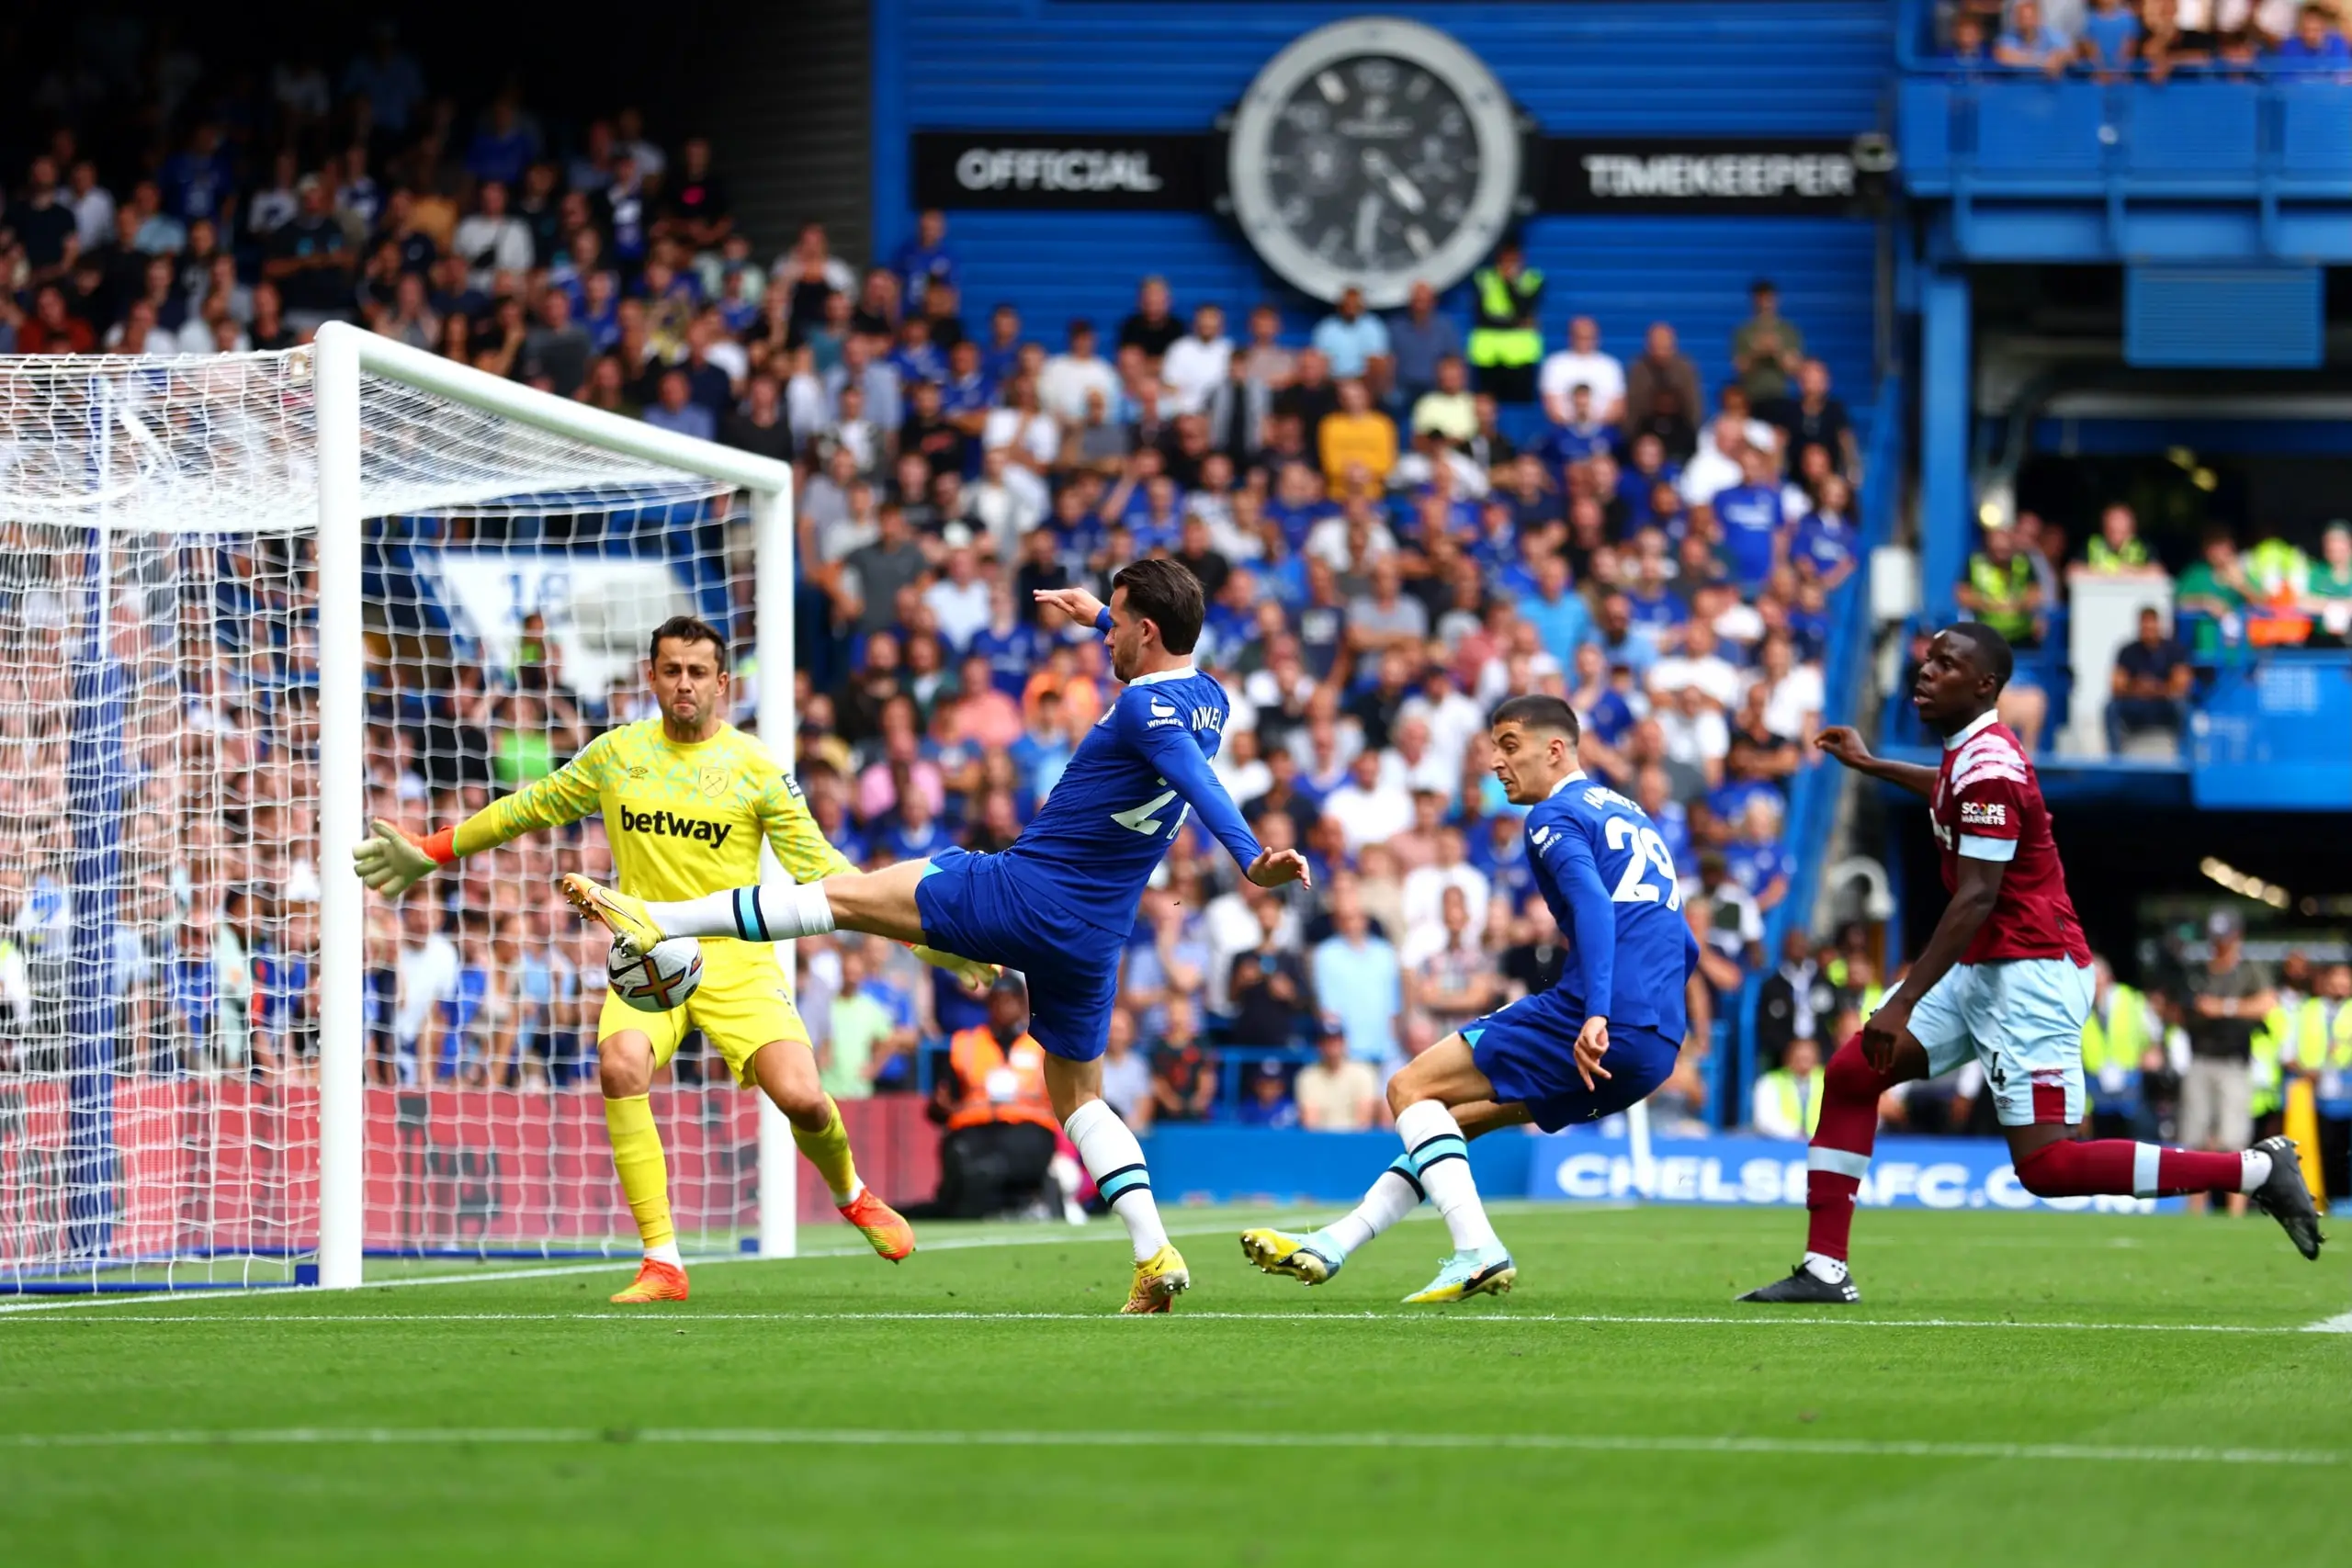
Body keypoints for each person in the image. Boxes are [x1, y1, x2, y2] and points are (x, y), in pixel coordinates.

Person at [562, 561, 1312, 1313]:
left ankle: (664, 917)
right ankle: (1152, 1254)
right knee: (1080, 1098)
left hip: (1023, 892)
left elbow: (1192, 776)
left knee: (843, 898)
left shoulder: (1145, 717)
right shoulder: (1210, 697)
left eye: (1114, 621)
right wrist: (1092, 616)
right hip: (1095, 933)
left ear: (1144, 630)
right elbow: (1173, 710)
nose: (1104, 631)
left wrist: (1250, 856)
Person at [352, 616, 972, 1303]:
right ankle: (662, 1260)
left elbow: (826, 870)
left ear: (723, 682)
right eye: (671, 669)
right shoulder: (616, 754)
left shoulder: (757, 768)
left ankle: (852, 1193)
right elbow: (527, 808)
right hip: (647, 956)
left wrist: (921, 938)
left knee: (799, 1094)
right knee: (619, 1065)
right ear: (650, 675)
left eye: (697, 672)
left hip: (736, 958)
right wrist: (434, 849)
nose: (684, 683)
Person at [1737, 624, 2320, 1304]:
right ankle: (1825, 1268)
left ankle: (2254, 1168)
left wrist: (1900, 1000)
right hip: (1987, 965)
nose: (1926, 673)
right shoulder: (1969, 757)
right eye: (1927, 660)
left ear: (1985, 686)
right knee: (1851, 1073)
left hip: (2029, 974)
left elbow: (1977, 896)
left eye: (1946, 665)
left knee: (2047, 1165)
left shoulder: (1989, 769)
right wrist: (1873, 767)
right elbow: (1946, 787)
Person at [1241, 694, 1699, 1303]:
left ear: (1555, 749)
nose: (1496, 762)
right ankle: (1335, 1241)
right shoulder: (1634, 816)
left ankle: (1477, 1248)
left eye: (1510, 746)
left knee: (1408, 1089)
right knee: (1449, 1126)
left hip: (1598, 1017)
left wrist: (1595, 1011)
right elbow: (1686, 941)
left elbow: (1592, 905)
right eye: (1493, 749)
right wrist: (1655, 1022)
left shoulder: (1552, 815)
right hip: (1656, 1042)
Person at [919, 975, 1061, 1220]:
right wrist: (940, 1107)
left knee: (1005, 1158)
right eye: (998, 1001)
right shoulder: (966, 1044)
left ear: (1022, 1004)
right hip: (975, 1128)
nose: (1004, 1007)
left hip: (1027, 1129)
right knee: (964, 1155)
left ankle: (1010, 1200)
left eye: (1010, 1001)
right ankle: (999, 1205)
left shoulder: (1042, 1047)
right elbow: (940, 1104)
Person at [1465, 240, 1544, 403]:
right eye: (1505, 260)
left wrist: (1510, 284)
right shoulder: (1484, 279)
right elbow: (1482, 318)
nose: (1508, 265)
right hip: (1488, 356)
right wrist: (1516, 323)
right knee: (1488, 403)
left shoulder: (1532, 280)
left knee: (1520, 406)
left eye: (1513, 260)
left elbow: (1524, 310)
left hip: (1521, 357)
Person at [2107, 606, 2190, 754]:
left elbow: (2182, 684)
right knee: (2111, 708)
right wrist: (2137, 687)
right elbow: (2116, 685)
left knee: (2183, 707)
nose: (2148, 630)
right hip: (2136, 704)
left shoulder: (2174, 650)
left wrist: (2156, 688)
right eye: (2145, 626)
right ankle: (2115, 756)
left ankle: (2183, 754)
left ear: (2159, 626)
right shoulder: (2128, 651)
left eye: (2152, 626)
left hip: (2164, 705)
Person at [1752, 1037, 1825, 1141]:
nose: (1803, 1062)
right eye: (1799, 1058)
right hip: (1784, 1147)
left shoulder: (1831, 1081)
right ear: (1788, 1057)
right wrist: (1796, 1133)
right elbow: (1764, 1120)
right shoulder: (1770, 1082)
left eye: (1807, 1058)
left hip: (1823, 1148)